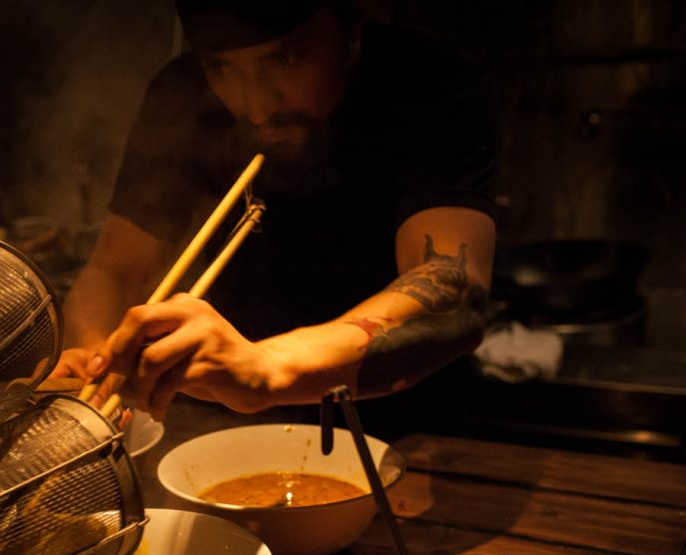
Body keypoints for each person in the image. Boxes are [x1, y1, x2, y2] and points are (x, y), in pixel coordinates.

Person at [52, 0, 500, 430]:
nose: (257, 107)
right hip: (230, 424)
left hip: (412, 427)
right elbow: (113, 270)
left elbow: (452, 290)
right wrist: (95, 358)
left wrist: (264, 368)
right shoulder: (183, 94)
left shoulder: (431, 86)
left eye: (286, 59)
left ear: (351, 29)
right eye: (223, 67)